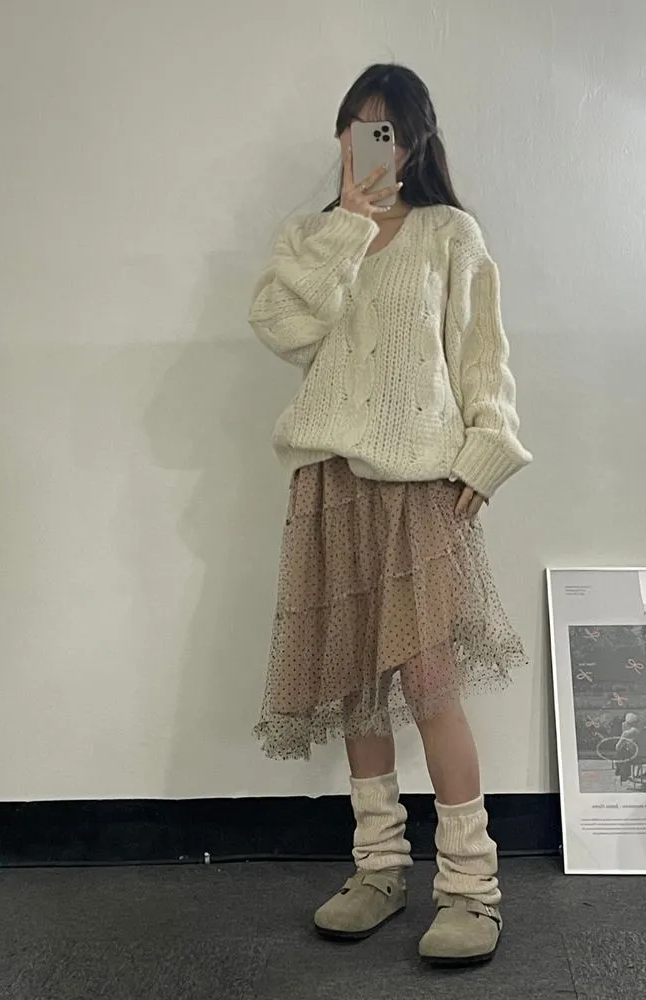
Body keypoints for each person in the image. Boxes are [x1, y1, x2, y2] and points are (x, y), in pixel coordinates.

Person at [248, 63, 532, 966]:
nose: (371, 144)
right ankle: (378, 868)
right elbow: (283, 331)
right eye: (357, 128)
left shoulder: (451, 232)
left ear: (414, 141)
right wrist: (348, 227)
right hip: (331, 479)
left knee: (429, 680)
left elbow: (481, 354)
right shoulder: (312, 236)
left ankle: (471, 887)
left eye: (387, 130)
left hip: (419, 484)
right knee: (354, 684)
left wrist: (488, 449)